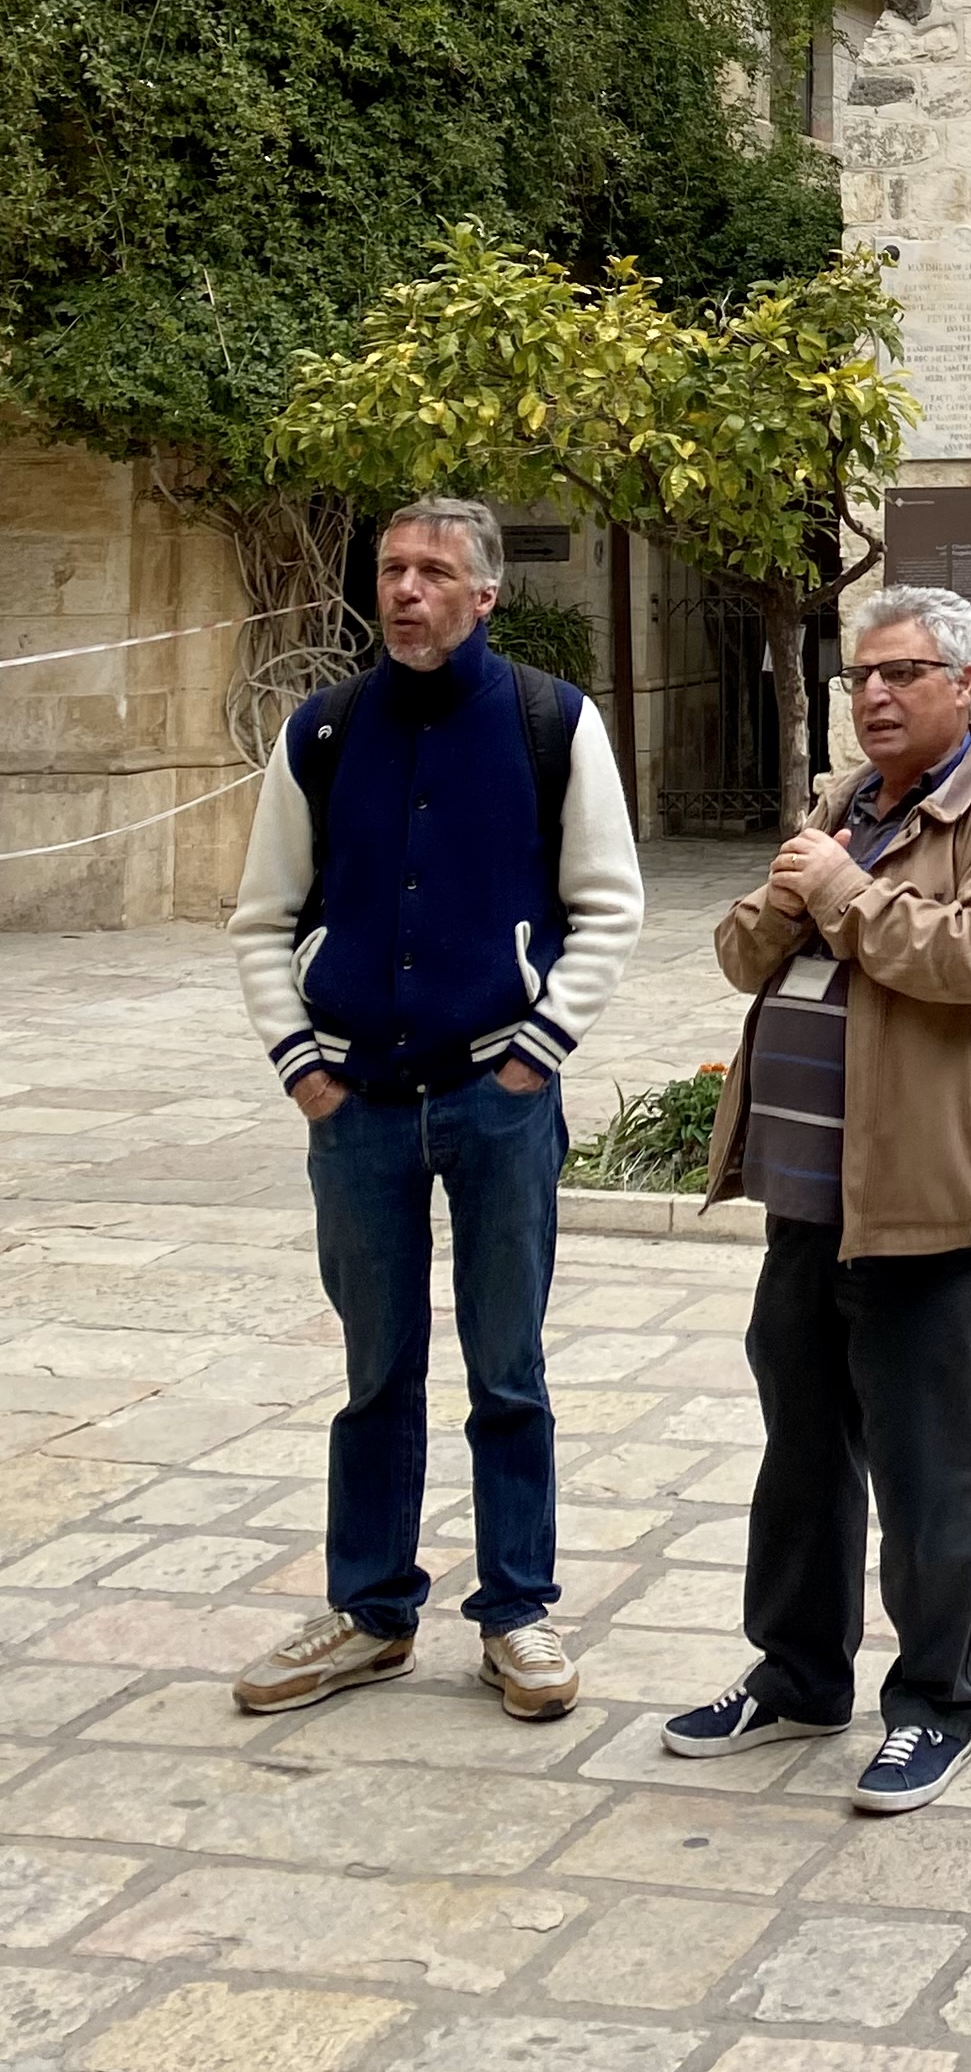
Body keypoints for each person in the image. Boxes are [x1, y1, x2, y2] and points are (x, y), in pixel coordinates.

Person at [228, 496, 643, 1720]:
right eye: (391, 569)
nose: (405, 589)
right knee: (375, 1371)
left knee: (506, 1366)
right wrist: (302, 1064)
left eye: (432, 571)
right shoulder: (322, 731)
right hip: (353, 1108)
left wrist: (536, 1052)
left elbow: (610, 904)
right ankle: (369, 1612)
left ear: (484, 593)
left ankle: (518, 1612)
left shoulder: (549, 724)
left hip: (497, 1100)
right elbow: (261, 917)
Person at [665, 582, 971, 1815]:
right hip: (810, 1189)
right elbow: (743, 955)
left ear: (964, 685)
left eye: (900, 674)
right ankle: (796, 1675)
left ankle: (936, 1706)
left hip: (930, 1195)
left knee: (922, 1461)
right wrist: (795, 889)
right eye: (859, 678)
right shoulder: (844, 806)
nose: (875, 696)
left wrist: (839, 896)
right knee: (800, 1447)